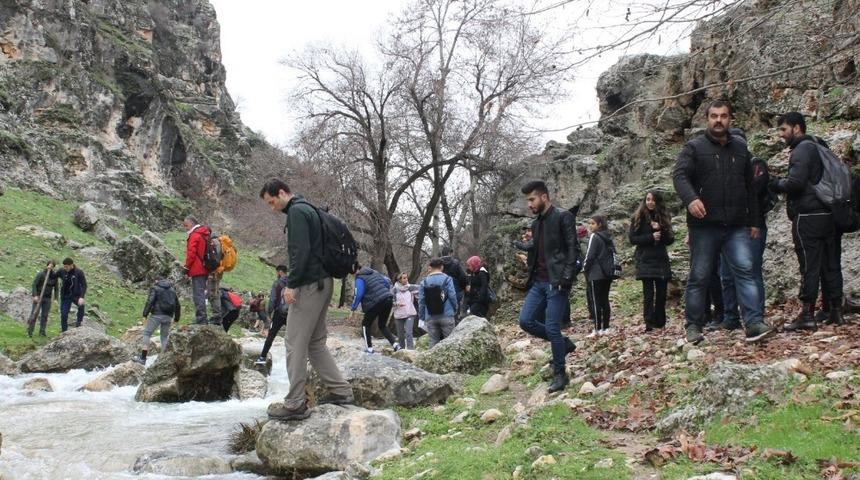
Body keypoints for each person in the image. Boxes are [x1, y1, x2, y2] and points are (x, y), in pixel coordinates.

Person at [672, 99, 773, 344]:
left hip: (736, 225)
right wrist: (691, 199)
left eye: (724, 116)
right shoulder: (694, 147)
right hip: (704, 225)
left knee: (746, 272)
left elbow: (750, 188)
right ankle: (693, 327)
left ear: (730, 119)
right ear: (707, 119)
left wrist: (754, 221)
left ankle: (753, 323)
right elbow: (679, 175)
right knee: (700, 276)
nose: (719, 120)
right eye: (714, 116)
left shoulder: (740, 149)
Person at [260, 179, 354, 421]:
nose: (273, 208)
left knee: (293, 342)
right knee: (315, 343)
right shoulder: (309, 208)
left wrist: (291, 284)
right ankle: (341, 391)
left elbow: (299, 251)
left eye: (272, 202)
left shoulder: (297, 212)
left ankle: (295, 403)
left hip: (309, 284)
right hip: (324, 283)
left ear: (282, 193)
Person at [770, 112, 844, 330]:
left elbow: (795, 183)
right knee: (831, 264)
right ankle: (836, 311)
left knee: (809, 266)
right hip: (830, 215)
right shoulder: (820, 145)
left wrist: (773, 183)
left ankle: (807, 314)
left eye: (784, 129)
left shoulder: (802, 149)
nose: (781, 135)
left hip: (808, 217)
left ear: (797, 128)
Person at [517, 180, 578, 394]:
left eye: (532, 199)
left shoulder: (563, 217)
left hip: (557, 282)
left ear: (544, 197)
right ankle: (564, 344)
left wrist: (566, 278)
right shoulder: (536, 224)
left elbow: (573, 249)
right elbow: (538, 250)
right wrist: (526, 251)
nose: (529, 204)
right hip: (539, 282)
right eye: (528, 201)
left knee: (552, 327)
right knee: (525, 321)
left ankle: (560, 374)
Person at [720, 128, 772, 331]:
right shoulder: (724, 166)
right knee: (726, 275)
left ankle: (756, 317)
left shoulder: (755, 164)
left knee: (752, 273)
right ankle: (730, 317)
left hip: (752, 226)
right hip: (728, 228)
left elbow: (756, 188)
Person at [628, 191, 675, 331]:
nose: (650, 202)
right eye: (648, 199)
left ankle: (660, 321)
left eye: (653, 200)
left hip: (661, 260)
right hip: (645, 260)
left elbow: (670, 239)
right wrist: (650, 237)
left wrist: (660, 230)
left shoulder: (664, 217)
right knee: (648, 294)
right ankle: (649, 322)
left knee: (661, 293)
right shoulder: (638, 218)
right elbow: (633, 239)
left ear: (658, 202)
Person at [349, 265, 400, 353]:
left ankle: (369, 348)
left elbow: (358, 294)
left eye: (353, 273)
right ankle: (396, 345)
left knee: (365, 324)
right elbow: (387, 282)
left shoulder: (360, 278)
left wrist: (353, 309)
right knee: (382, 325)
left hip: (376, 302)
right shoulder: (374, 272)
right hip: (388, 299)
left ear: (356, 270)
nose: (353, 275)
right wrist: (384, 293)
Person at [583, 215, 615, 337]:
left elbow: (589, 255)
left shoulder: (594, 236)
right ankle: (606, 328)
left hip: (595, 273)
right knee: (605, 300)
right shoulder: (608, 237)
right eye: (589, 223)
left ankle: (597, 329)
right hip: (607, 273)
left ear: (599, 224)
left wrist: (585, 268)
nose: (590, 226)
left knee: (596, 301)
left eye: (592, 223)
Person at [136, 279, 180, 365]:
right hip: (168, 316)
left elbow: (150, 301)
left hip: (157, 315)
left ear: (157, 281)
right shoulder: (172, 290)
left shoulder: (155, 288)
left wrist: (145, 314)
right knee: (164, 337)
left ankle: (143, 358)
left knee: (147, 334)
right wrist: (176, 319)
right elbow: (178, 305)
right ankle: (163, 360)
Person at [418, 258, 459, 347]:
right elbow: (452, 295)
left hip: (430, 316)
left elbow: (421, 301)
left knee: (433, 342)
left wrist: (422, 316)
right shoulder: (447, 279)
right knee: (450, 343)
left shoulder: (424, 282)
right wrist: (455, 308)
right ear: (442, 267)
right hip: (447, 314)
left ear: (431, 268)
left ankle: (432, 360)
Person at [181, 216, 214, 325]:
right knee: (200, 293)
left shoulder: (195, 235)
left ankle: (201, 318)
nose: (185, 227)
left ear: (191, 223)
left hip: (197, 269)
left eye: (186, 225)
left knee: (198, 294)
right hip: (205, 267)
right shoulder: (204, 233)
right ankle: (202, 317)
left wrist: (186, 267)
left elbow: (191, 253)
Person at [257, 265, 290, 365]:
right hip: (291, 313)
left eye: (277, 272)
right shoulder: (292, 281)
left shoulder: (277, 283)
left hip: (279, 313)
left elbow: (272, 299)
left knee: (271, 335)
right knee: (294, 337)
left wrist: (269, 313)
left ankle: (262, 356)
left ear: (280, 272)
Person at [28, 260, 58, 337]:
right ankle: (30, 331)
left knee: (44, 315)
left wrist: (55, 298)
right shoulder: (41, 274)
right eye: (49, 265)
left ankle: (42, 332)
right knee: (34, 313)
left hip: (47, 299)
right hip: (38, 297)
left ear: (53, 267)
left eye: (52, 266)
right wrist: (34, 295)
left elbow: (56, 288)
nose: (50, 267)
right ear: (47, 265)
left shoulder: (54, 277)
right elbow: (34, 284)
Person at [440, 246, 469, 321]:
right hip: (456, 290)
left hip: (441, 292)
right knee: (455, 309)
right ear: (450, 253)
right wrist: (464, 286)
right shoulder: (455, 263)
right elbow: (462, 276)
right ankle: (455, 325)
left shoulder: (438, 264)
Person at [58, 258, 87, 332]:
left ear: (71, 265)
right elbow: (53, 276)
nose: (65, 268)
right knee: (64, 314)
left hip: (76, 295)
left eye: (66, 266)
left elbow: (84, 285)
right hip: (66, 296)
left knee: (81, 305)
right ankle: (64, 331)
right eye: (64, 266)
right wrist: (48, 269)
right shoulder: (62, 271)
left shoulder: (79, 272)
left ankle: (78, 323)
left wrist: (81, 297)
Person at [391, 272, 418, 350]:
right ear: (399, 279)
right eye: (404, 278)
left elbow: (421, 289)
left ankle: (410, 350)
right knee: (400, 335)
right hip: (398, 315)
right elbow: (390, 302)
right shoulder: (394, 289)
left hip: (410, 313)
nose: (406, 279)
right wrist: (397, 304)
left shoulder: (410, 287)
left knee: (409, 332)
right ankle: (401, 351)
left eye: (406, 278)